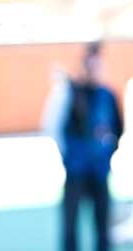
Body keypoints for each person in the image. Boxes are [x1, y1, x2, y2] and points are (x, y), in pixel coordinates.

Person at [45, 41, 123, 251]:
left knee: (102, 228)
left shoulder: (108, 95)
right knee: (70, 228)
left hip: (99, 170)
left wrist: (106, 153)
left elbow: (117, 128)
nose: (94, 70)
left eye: (98, 66)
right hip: (76, 170)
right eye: (90, 65)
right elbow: (55, 125)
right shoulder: (70, 93)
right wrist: (69, 156)